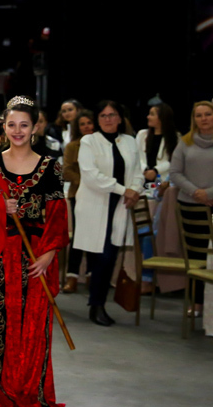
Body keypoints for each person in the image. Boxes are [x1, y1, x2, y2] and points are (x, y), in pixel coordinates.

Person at [0, 97, 67, 407]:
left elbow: (58, 216)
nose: (17, 130)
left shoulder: (50, 167)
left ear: (35, 127)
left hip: (34, 257)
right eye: (11, 124)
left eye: (24, 124)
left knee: (32, 323)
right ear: (3, 126)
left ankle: (27, 387)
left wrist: (49, 254)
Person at [74, 99, 143, 326]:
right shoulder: (89, 141)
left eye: (112, 115)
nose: (108, 119)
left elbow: (138, 171)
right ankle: (96, 305)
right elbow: (90, 175)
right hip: (96, 204)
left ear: (120, 118)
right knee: (101, 256)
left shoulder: (130, 141)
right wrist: (125, 190)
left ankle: (99, 303)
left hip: (120, 206)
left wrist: (135, 189)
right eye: (103, 115)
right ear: (97, 119)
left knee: (110, 255)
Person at [169, 101, 213, 319]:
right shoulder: (185, 142)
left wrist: (209, 194)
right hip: (190, 205)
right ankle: (196, 303)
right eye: (199, 115)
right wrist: (196, 192)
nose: (203, 119)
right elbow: (175, 173)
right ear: (193, 119)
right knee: (196, 256)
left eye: (208, 114)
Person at [61, 109, 96, 293]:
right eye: (82, 124)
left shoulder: (102, 145)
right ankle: (72, 276)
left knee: (95, 236)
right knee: (79, 236)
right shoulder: (72, 146)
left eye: (89, 123)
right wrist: (87, 182)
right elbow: (66, 171)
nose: (86, 127)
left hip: (100, 196)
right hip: (78, 195)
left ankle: (92, 275)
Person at [137, 102, 177, 189]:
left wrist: (156, 170)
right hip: (143, 179)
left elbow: (175, 160)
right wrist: (145, 170)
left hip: (163, 181)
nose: (148, 117)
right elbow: (136, 156)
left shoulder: (175, 137)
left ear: (162, 117)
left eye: (152, 114)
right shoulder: (142, 134)